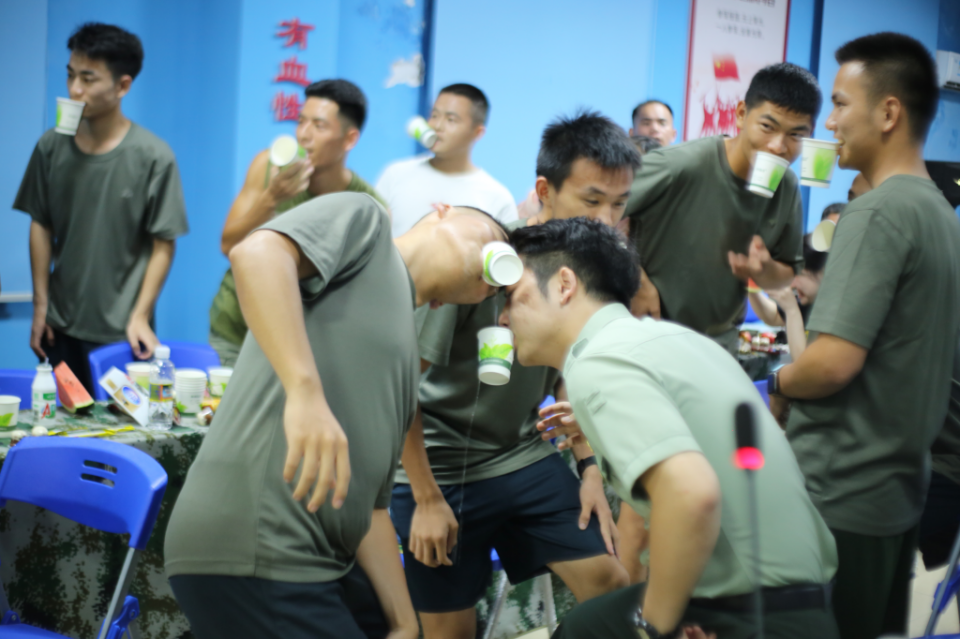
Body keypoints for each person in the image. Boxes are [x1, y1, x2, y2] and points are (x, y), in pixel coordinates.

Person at [165, 193, 512, 639]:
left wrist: (404, 622)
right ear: (442, 210)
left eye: (495, 287)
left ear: (447, 305)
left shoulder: (404, 357)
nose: (495, 263)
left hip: (323, 560)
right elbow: (256, 253)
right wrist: (304, 391)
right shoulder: (367, 227)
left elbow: (370, 506)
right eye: (491, 236)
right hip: (258, 545)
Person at [498, 217, 839, 639]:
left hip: (756, 613)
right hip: (807, 598)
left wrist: (654, 628)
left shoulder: (599, 361)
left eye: (511, 297)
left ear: (564, 284)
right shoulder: (678, 342)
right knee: (587, 624)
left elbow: (692, 495)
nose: (502, 318)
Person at [390, 112, 639, 639]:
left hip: (522, 456)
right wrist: (426, 498)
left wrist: (589, 466)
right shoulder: (482, 262)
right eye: (592, 200)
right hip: (437, 466)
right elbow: (399, 385)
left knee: (613, 589)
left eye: (619, 205)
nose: (606, 220)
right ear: (545, 190)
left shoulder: (585, 272)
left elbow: (569, 364)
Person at [769, 33, 960, 639]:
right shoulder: (939, 213)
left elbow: (831, 364)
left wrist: (778, 383)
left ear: (888, 112)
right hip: (896, 494)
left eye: (840, 104)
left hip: (841, 493)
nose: (829, 122)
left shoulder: (875, 212)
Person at [14, 22, 188, 394]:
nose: (74, 89)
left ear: (123, 86)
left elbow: (164, 243)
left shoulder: (154, 156)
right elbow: (40, 224)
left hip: (123, 334)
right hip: (60, 325)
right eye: (70, 75)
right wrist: (41, 306)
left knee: (118, 426)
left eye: (88, 79)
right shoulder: (51, 147)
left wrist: (140, 315)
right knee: (61, 421)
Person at [625, 63, 820, 356]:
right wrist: (638, 282)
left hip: (718, 349)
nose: (778, 146)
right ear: (741, 114)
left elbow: (786, 272)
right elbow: (594, 219)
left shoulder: (787, 186)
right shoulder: (679, 164)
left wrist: (765, 269)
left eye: (796, 135)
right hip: (647, 339)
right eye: (767, 127)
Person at [208, 79, 383, 366]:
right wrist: (271, 198)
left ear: (349, 139)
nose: (304, 135)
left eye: (319, 126)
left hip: (304, 348)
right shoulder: (268, 167)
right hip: (237, 332)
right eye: (301, 121)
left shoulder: (366, 206)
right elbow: (229, 245)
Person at [377, 83, 517, 237]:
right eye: (434, 116)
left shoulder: (497, 198)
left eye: (451, 120)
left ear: (478, 132)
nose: (437, 126)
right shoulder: (395, 174)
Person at [748, 234, 830, 362]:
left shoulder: (834, 314)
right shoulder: (808, 301)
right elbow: (773, 317)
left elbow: (804, 366)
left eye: (799, 274)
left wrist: (791, 310)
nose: (792, 284)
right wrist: (750, 286)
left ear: (822, 272)